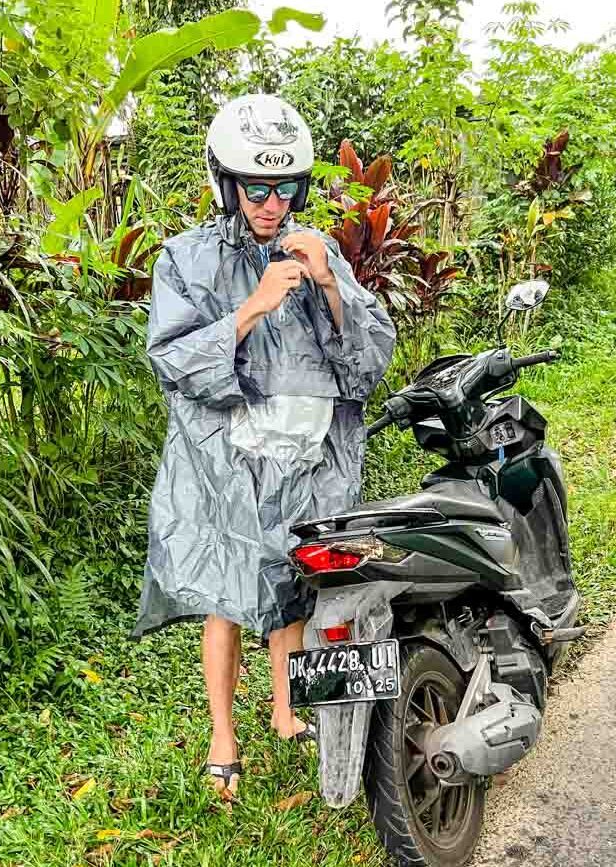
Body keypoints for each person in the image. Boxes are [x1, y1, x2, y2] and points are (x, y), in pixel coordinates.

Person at [131, 94, 396, 798]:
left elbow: (368, 364)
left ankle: (287, 713)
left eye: (285, 188)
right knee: (227, 595)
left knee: (296, 592)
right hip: (230, 468)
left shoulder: (317, 249)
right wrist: (251, 309)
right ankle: (224, 734)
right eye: (257, 187)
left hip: (309, 463)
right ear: (228, 183)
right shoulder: (187, 259)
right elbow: (174, 360)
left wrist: (332, 285)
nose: (272, 204)